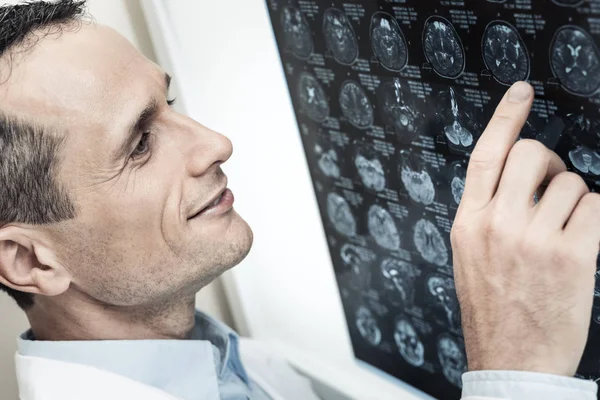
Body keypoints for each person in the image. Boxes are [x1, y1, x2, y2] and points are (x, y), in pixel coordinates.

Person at [0, 1, 599, 399]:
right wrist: (519, 372)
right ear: (31, 261)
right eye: (139, 144)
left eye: (170, 104)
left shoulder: (226, 365)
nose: (216, 143)